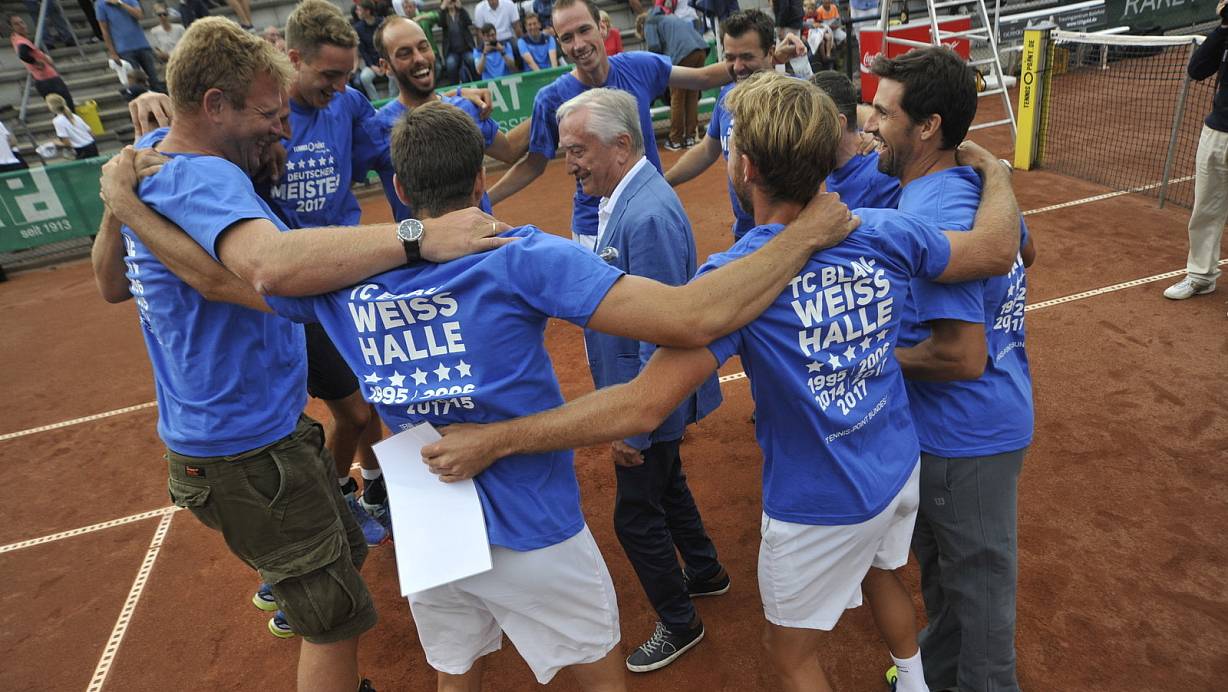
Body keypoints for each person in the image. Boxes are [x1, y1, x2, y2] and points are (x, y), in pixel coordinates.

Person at [99, 94, 861, 691]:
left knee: (455, 672)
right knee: (598, 669)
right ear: (477, 183)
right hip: (533, 517)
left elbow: (207, 275)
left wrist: (127, 205)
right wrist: (803, 235)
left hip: (429, 514)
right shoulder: (518, 254)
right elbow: (695, 315)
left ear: (397, 188)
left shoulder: (341, 279)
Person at [420, 71, 1025, 692]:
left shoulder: (738, 282)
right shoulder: (884, 228)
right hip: (896, 467)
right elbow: (997, 248)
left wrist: (495, 441)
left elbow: (641, 406)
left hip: (818, 502)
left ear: (745, 168)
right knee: (881, 573)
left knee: (790, 654)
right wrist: (998, 175)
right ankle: (915, 680)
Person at [91, 17, 507, 691]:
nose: (280, 129)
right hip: (248, 449)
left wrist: (117, 204)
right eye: (266, 113)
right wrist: (417, 235)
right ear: (215, 105)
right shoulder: (203, 180)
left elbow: (112, 283)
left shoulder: (151, 160)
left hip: (230, 438)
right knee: (331, 624)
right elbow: (270, 270)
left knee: (338, 555)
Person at [862, 46, 1033, 692]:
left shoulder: (935, 211)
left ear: (927, 125)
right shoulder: (974, 187)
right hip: (966, 429)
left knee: (981, 601)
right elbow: (1029, 248)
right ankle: (934, 675)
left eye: (882, 112)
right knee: (949, 582)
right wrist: (996, 174)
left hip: (966, 436)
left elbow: (962, 355)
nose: (870, 123)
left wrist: (870, 358)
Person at [557, 88, 729, 672]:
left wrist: (635, 425)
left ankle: (680, 623)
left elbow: (660, 333)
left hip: (645, 402)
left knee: (634, 516)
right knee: (668, 482)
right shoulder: (630, 196)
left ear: (622, 144)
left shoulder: (648, 214)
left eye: (578, 150)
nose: (570, 163)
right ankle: (705, 570)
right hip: (647, 399)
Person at [490, 0, 803, 247]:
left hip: (654, 213)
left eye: (584, 30)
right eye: (567, 38)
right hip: (594, 228)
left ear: (601, 27)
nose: (578, 44)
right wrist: (486, 199)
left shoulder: (639, 66)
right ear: (559, 43)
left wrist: (770, 59)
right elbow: (532, 165)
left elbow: (703, 77)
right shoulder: (551, 98)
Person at [368, 15, 520, 223]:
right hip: (421, 254)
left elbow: (510, 150)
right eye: (405, 53)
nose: (419, 58)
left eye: (423, 47)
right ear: (385, 67)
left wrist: (552, 100)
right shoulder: (375, 128)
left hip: (483, 248)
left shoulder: (465, 107)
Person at [664, 9, 774, 241]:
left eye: (747, 57)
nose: (737, 67)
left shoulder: (794, 98)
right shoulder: (727, 96)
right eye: (730, 57)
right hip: (745, 234)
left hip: (787, 232)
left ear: (770, 53)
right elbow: (706, 150)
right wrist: (666, 181)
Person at [1163, 0, 1228, 301]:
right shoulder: (1226, 35)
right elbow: (1197, 69)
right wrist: (1224, 28)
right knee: (1205, 209)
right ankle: (1201, 276)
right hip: (1216, 132)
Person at [810, 70, 900, 210]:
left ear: (838, 123)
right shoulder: (811, 166)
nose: (801, 130)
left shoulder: (886, 171)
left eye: (807, 121)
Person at [636, 10, 709, 151]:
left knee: (677, 97)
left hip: (683, 53)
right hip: (700, 50)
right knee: (692, 95)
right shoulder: (670, 18)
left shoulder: (649, 23)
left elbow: (654, 48)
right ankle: (690, 137)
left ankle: (675, 139)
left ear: (641, 27)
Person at [9, 14, 76, 113]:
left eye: (22, 22)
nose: (22, 26)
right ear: (12, 28)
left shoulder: (15, 38)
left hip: (42, 80)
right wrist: (36, 62)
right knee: (67, 106)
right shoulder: (21, 41)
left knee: (58, 109)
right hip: (48, 79)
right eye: (16, 24)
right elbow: (23, 54)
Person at [96, 0, 166, 93]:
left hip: (142, 45)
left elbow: (139, 15)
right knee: (137, 83)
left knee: (154, 79)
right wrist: (112, 52)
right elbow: (104, 30)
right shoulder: (100, 4)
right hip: (124, 49)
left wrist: (120, 4)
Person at [353, 0, 397, 100]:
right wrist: (373, 66)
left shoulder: (382, 22)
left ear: (367, 11)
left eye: (359, 10)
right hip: (371, 64)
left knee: (394, 75)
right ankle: (376, 103)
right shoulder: (358, 28)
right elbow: (363, 51)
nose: (357, 12)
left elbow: (387, 45)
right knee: (364, 77)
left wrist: (385, 63)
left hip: (386, 60)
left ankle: (392, 99)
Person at [46, 93, 98, 159]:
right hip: (92, 146)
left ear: (51, 107)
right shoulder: (74, 116)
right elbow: (92, 134)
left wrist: (55, 143)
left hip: (80, 150)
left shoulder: (57, 121)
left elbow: (67, 143)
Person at [473, 0, 521, 68]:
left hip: (508, 38)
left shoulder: (509, 3)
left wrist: (521, 41)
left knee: (518, 46)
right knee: (479, 52)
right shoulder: (479, 8)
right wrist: (482, 46)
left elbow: (516, 26)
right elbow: (479, 32)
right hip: (489, 39)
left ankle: (520, 71)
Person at [438, 0, 477, 84]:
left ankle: (478, 81)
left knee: (472, 60)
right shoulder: (444, 15)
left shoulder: (461, 13)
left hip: (466, 49)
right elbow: (439, 23)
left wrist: (461, 8)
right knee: (450, 64)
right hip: (452, 52)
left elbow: (469, 22)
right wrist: (442, 8)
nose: (450, 3)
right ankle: (454, 87)